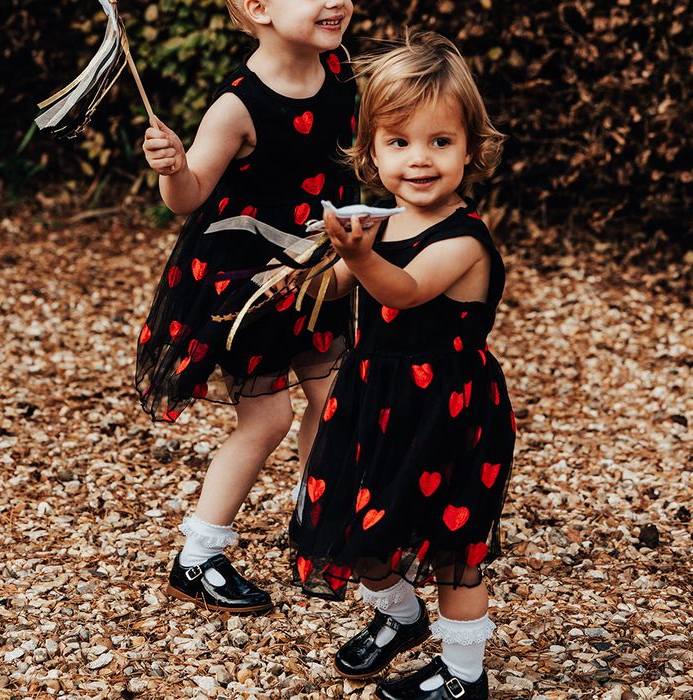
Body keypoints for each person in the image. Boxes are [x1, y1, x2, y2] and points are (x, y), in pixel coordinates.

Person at [289, 32, 514, 699]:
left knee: (453, 556)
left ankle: (462, 677)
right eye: (399, 142)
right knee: (353, 527)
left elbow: (406, 290)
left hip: (447, 414)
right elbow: (343, 289)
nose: (419, 160)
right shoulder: (378, 224)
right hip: (373, 401)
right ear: (371, 151)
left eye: (440, 142)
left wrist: (356, 259)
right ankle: (400, 616)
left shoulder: (465, 238)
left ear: (470, 148)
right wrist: (306, 277)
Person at [136, 0, 357, 614]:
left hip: (319, 273)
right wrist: (173, 168)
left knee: (335, 399)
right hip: (247, 285)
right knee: (267, 419)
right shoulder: (238, 105)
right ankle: (198, 554)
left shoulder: (342, 75)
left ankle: (317, 526)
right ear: (258, 8)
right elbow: (189, 198)